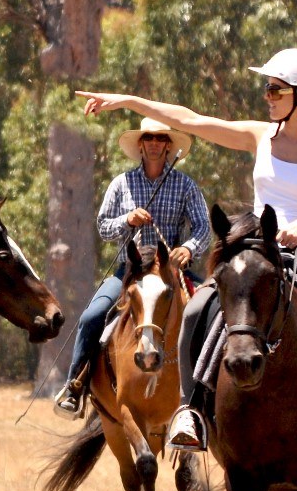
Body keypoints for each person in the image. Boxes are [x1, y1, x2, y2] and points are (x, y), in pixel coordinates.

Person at [74, 48, 297, 452]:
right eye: (267, 89)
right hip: (257, 252)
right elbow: (190, 120)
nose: (267, 96)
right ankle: (190, 411)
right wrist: (127, 101)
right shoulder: (260, 136)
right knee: (196, 309)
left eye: (274, 89)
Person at [53, 118, 210, 419]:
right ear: (141, 144)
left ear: (168, 146)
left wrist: (188, 248)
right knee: (93, 316)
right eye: (148, 138)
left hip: (170, 274)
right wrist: (127, 220)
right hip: (130, 271)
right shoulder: (121, 184)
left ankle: (210, 394)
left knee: (212, 311)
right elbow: (102, 226)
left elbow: (203, 227)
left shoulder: (185, 185)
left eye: (160, 138)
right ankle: (75, 385)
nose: (154, 143)